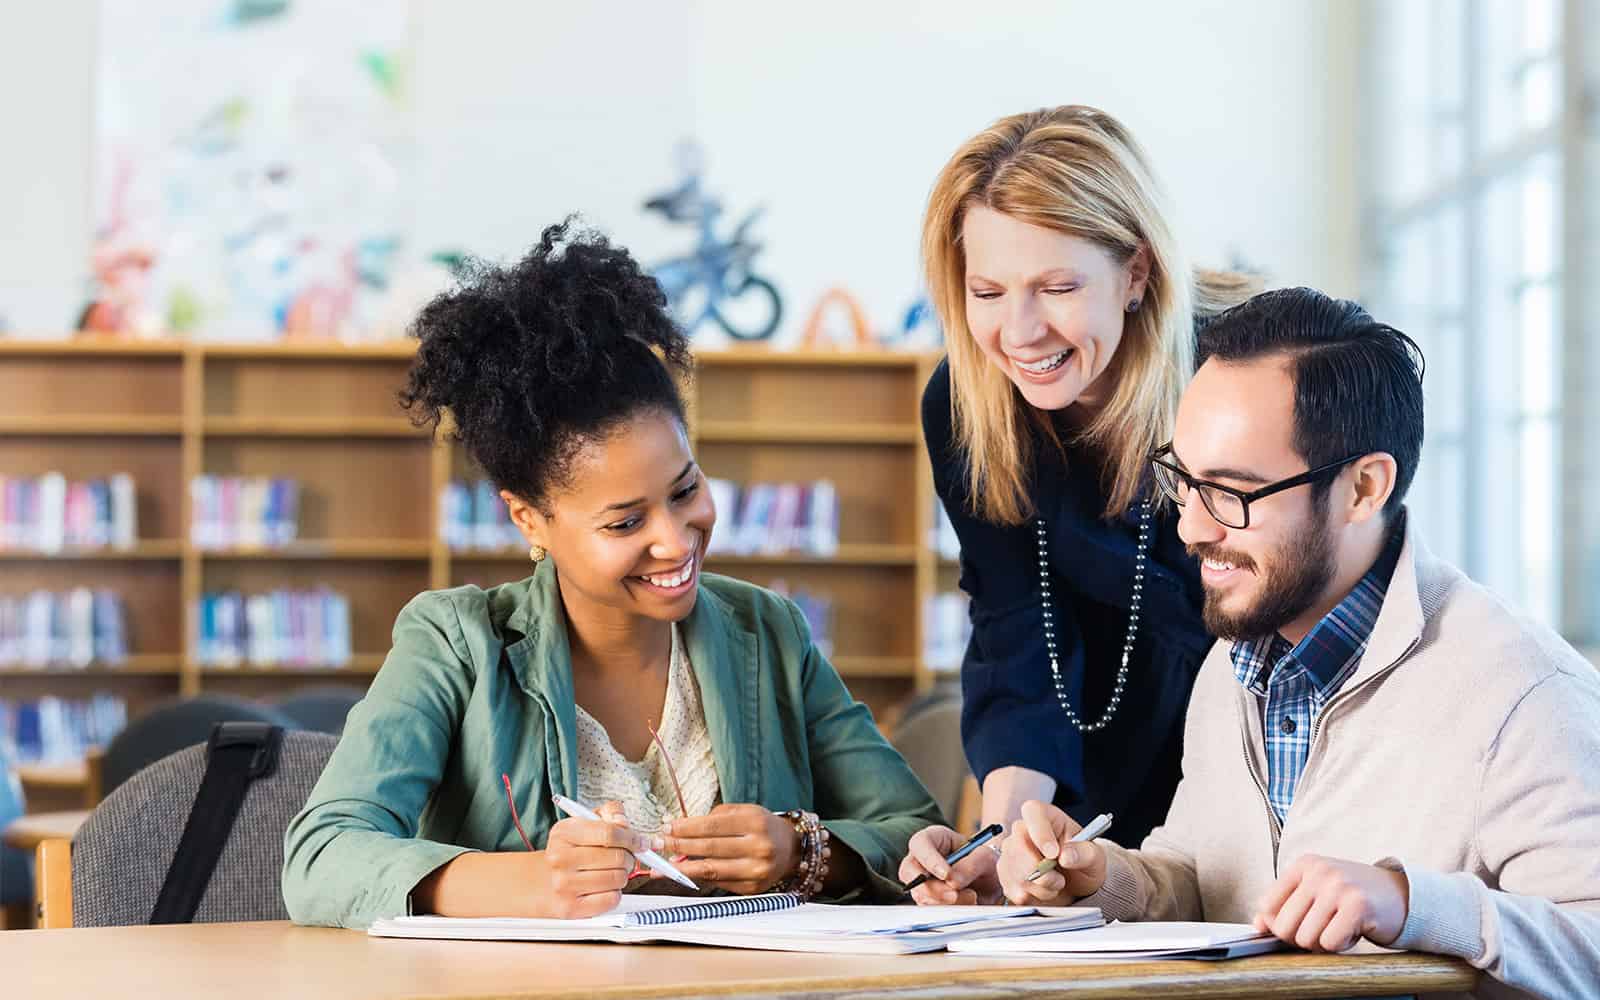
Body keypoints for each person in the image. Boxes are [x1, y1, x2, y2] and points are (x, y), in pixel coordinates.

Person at [283, 222, 941, 928]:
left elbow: (922, 836)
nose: (673, 540)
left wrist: (802, 850)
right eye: (626, 523)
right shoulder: (455, 645)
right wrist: (527, 884)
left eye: (685, 490)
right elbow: (321, 855)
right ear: (530, 520)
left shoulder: (767, 630)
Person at [995, 287, 1600, 1000]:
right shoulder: (1232, 659)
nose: (1190, 528)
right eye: (1183, 479)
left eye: (1230, 493)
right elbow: (1203, 878)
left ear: (1363, 489)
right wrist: (1102, 877)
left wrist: (1410, 904)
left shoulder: (1524, 692)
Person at [901, 105, 1257, 905]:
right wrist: (1003, 839)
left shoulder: (1245, 370)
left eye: (1057, 286)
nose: (1018, 332)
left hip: (1266, 746)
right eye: (987, 292)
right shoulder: (965, 404)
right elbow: (1016, 631)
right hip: (1100, 758)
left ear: (1136, 271)